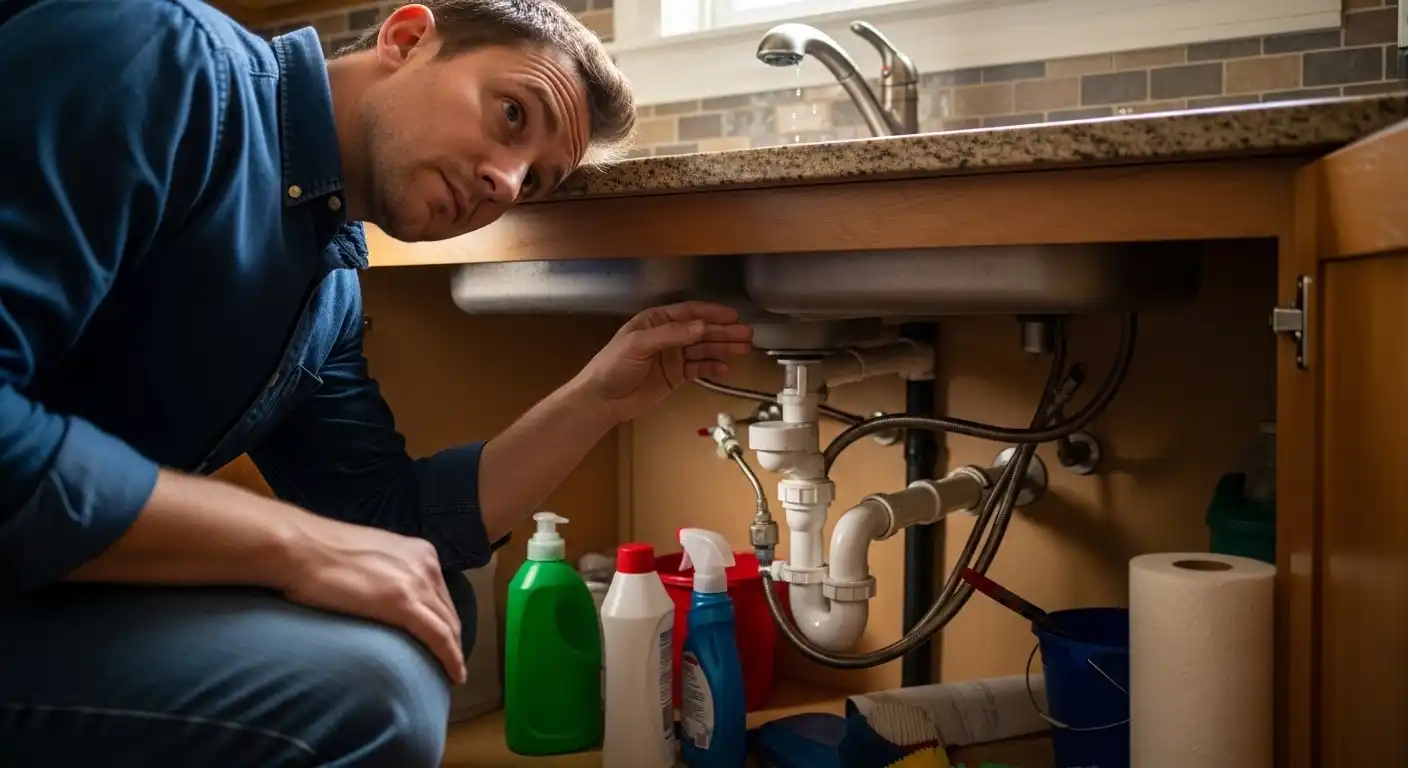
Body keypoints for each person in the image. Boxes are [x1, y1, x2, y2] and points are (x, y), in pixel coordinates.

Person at [0, 0, 752, 765]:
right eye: (510, 114)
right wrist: (293, 547)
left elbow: (382, 521)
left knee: (426, 600)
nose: (503, 179)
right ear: (407, 37)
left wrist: (597, 399)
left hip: (42, 574)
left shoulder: (324, 290)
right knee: (371, 693)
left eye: (533, 184)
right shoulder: (164, 60)